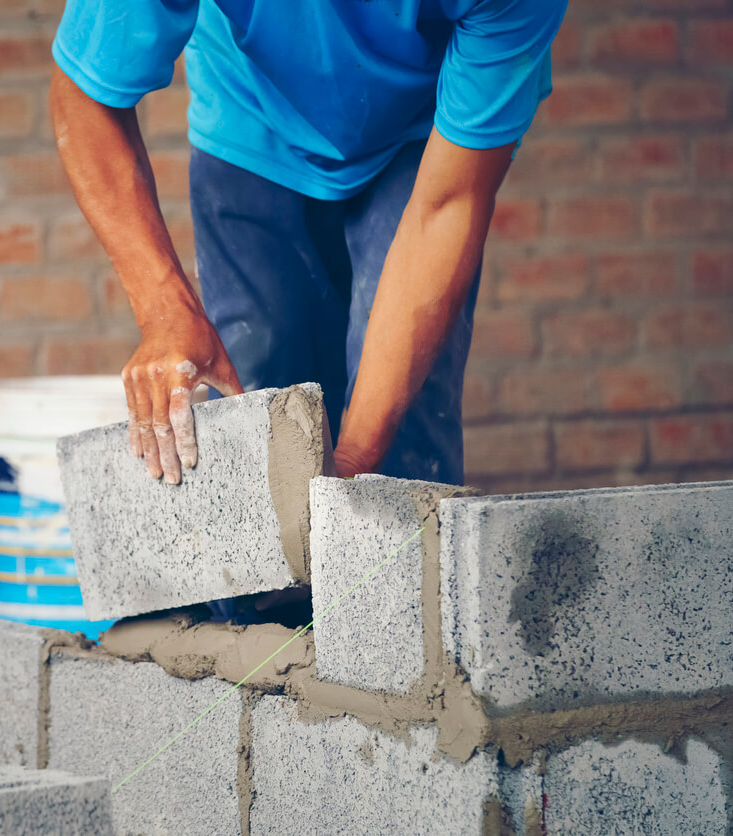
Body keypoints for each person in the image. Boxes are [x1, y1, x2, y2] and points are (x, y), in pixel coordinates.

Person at [49, 0, 568, 488]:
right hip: (251, 114)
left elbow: (448, 204)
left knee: (401, 454)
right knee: (256, 423)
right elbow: (85, 93)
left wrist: (358, 457)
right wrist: (165, 311)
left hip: (427, 135)